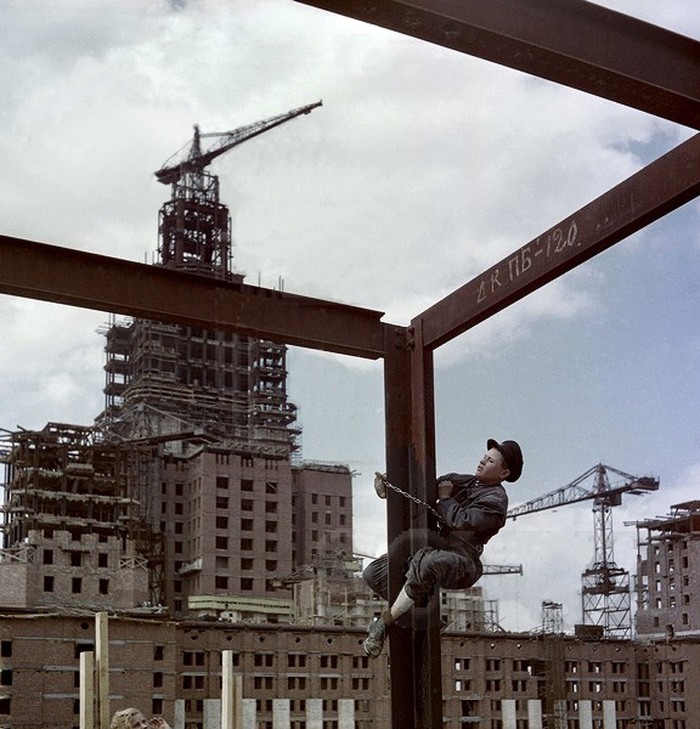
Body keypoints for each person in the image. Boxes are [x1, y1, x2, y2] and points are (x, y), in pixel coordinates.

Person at [362, 438, 523, 658]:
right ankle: (426, 618)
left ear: (503, 474)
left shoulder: (496, 501)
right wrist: (393, 484)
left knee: (429, 562)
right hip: (434, 547)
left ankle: (384, 623)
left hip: (462, 562)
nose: (482, 461)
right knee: (375, 573)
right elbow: (429, 488)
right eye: (484, 457)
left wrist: (446, 499)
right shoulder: (465, 481)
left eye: (490, 460)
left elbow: (463, 522)